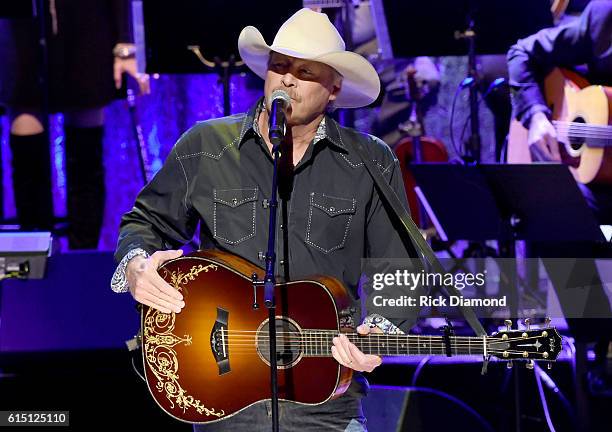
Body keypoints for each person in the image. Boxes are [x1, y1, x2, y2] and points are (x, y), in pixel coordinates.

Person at [111, 8, 421, 432]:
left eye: (305, 71)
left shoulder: (369, 160)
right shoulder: (207, 145)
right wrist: (135, 266)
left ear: (334, 88)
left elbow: (400, 268)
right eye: (279, 66)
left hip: (326, 403)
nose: (287, 80)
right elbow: (143, 223)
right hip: (223, 395)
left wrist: (381, 333)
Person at [507, 2, 612, 427]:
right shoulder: (604, 18)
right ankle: (589, 356)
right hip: (596, 182)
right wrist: (536, 117)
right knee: (555, 211)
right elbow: (521, 54)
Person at [0, 0, 149, 248]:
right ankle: (37, 255)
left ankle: (84, 254)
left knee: (86, 159)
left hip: (85, 24)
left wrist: (125, 43)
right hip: (22, 28)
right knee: (28, 157)